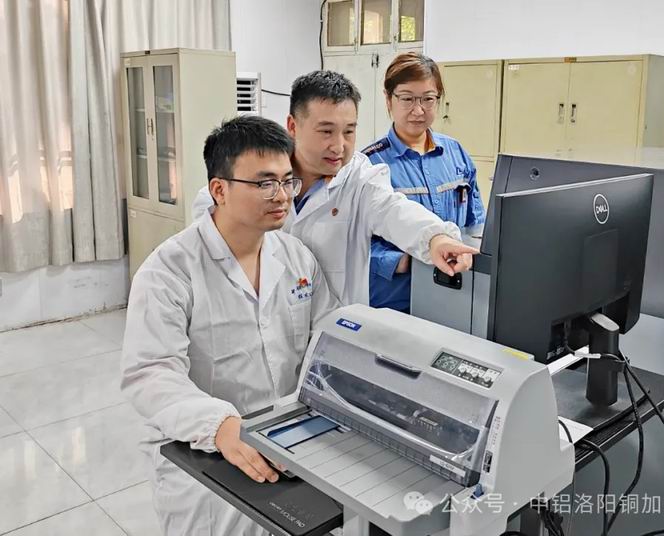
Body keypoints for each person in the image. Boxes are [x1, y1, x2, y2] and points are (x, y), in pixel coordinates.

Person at [121, 116, 340, 535]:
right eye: (264, 183)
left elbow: (327, 339)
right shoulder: (170, 271)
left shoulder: (296, 257)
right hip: (204, 456)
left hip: (289, 445)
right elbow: (150, 374)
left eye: (287, 181)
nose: (282, 196)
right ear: (219, 190)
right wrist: (220, 426)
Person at [192, 70, 478, 306]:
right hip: (263, 328)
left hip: (333, 331)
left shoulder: (359, 178)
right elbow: (211, 215)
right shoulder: (257, 176)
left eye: (349, 131)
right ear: (293, 126)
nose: (339, 146)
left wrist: (435, 238)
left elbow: (394, 210)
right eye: (326, 131)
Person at [364, 52, 485, 313]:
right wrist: (403, 261)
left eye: (428, 99)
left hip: (454, 295)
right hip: (397, 301)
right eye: (407, 98)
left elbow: (476, 224)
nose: (418, 110)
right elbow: (351, 245)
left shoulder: (456, 154)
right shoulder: (370, 164)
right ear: (388, 99)